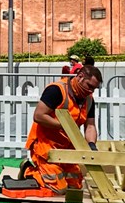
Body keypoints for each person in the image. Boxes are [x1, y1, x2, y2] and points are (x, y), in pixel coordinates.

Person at [21, 65, 102, 195]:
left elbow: (90, 126)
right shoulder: (56, 90)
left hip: (67, 148)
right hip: (47, 146)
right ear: (80, 77)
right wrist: (64, 125)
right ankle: (28, 171)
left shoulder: (89, 100)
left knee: (74, 186)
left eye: (94, 88)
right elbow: (38, 116)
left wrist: (91, 145)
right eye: (89, 86)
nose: (91, 91)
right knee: (58, 188)